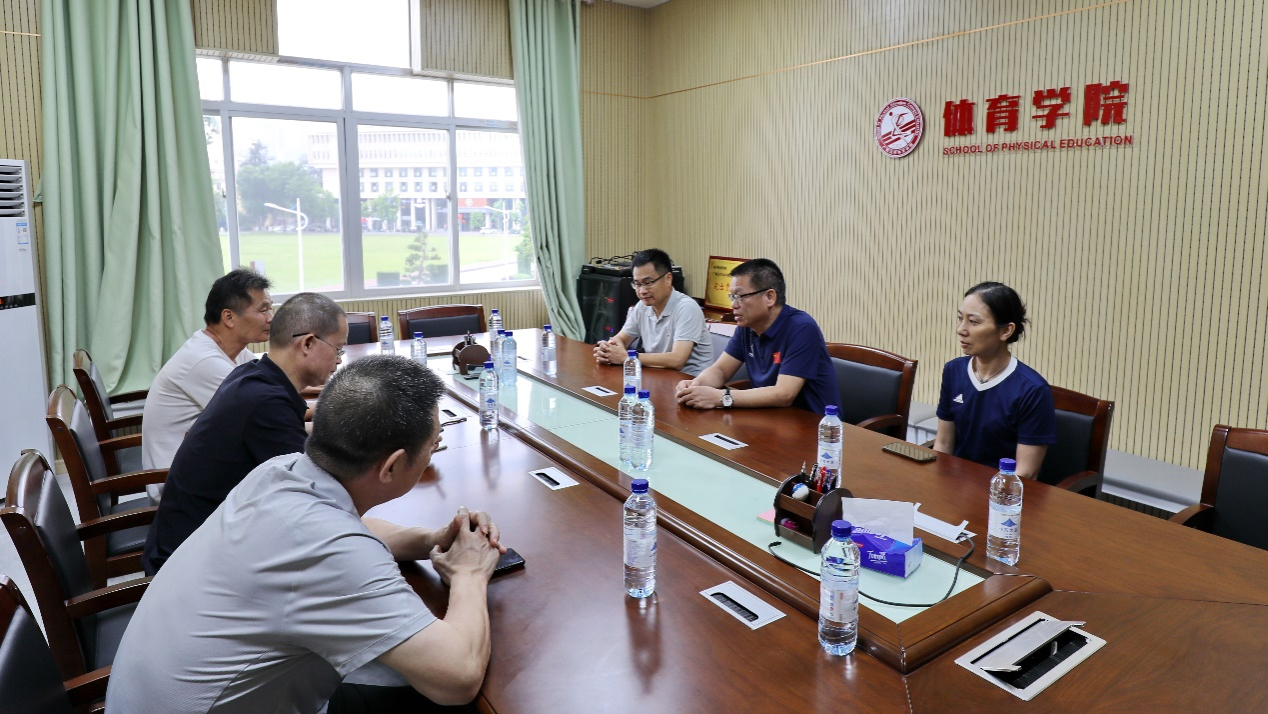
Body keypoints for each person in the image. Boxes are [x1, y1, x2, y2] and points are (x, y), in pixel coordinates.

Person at [107, 356, 504, 713]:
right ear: (392, 466)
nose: (433, 451)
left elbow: (353, 530)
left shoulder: (279, 471)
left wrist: (430, 539)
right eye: (433, 444)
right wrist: (469, 573)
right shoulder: (329, 550)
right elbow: (458, 679)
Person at [140, 292, 347, 576]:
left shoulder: (254, 375)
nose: (339, 361)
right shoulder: (265, 403)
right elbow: (317, 497)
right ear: (308, 343)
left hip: (202, 541)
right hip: (188, 568)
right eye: (338, 349)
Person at [141, 269, 273, 470]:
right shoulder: (204, 361)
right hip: (179, 479)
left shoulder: (233, 351)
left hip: (207, 463)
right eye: (263, 310)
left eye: (270, 309)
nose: (271, 318)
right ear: (229, 317)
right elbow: (266, 412)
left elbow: (272, 383)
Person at [675, 259, 839, 413]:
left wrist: (722, 397)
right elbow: (721, 370)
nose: (733, 305)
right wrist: (696, 384)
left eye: (740, 296)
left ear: (770, 297)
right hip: (769, 416)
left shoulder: (801, 328)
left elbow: (784, 394)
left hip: (815, 425)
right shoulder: (747, 327)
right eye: (732, 297)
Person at [933, 281, 1056, 478]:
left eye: (973, 322)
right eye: (960, 318)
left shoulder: (1032, 390)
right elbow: (943, 444)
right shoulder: (953, 370)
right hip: (955, 483)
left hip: (1002, 490)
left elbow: (1026, 473)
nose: (961, 329)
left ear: (1006, 331)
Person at [593, 249, 714, 376]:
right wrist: (609, 349)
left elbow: (677, 360)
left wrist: (627, 357)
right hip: (658, 376)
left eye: (648, 283)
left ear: (668, 279)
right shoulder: (642, 306)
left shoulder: (686, 308)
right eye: (637, 284)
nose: (642, 291)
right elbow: (621, 338)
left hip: (691, 381)